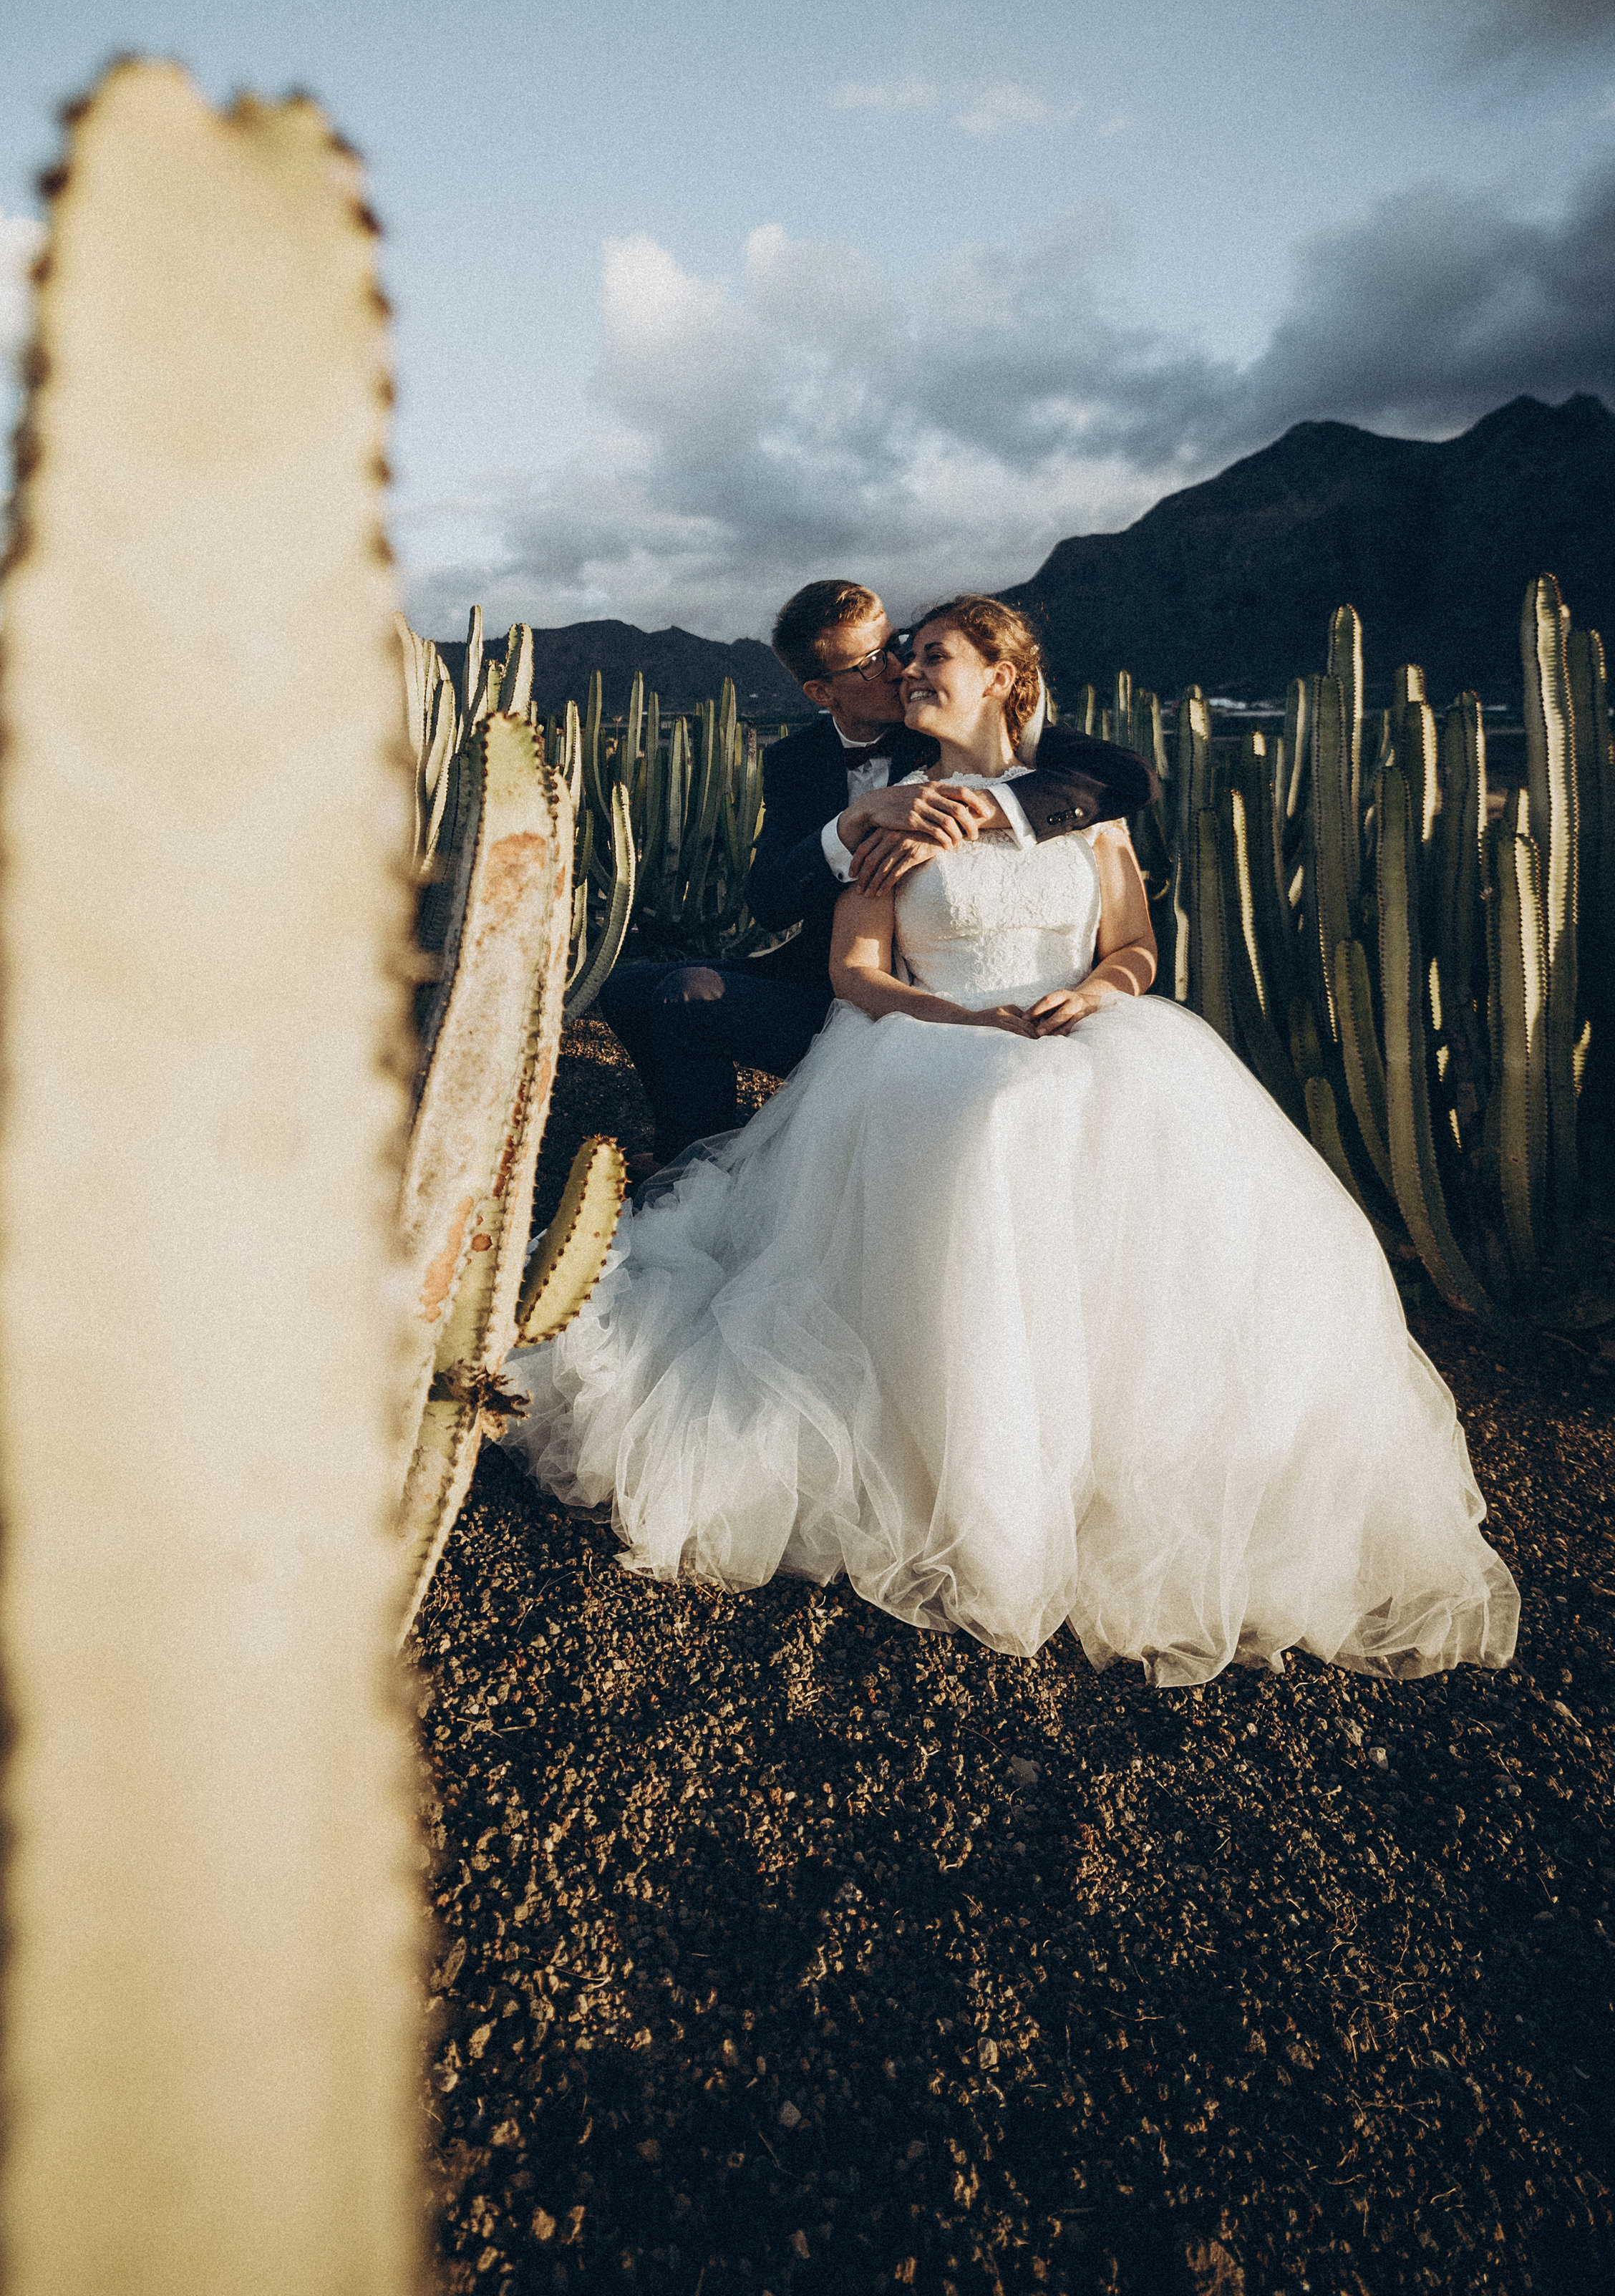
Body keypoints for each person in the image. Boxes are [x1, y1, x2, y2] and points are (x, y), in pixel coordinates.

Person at [508, 595, 1518, 1686]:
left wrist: (1094, 987)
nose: (905, 671)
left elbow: (1133, 939)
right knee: (997, 1120)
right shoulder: (891, 800)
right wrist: (954, 992)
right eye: (896, 660)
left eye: (930, 654)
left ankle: (1143, 1452)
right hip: (932, 1032)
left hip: (1083, 1026)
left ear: (1003, 677)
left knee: (1143, 1142)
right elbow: (856, 971)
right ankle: (985, 1465)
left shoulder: (1076, 793)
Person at [599, 578, 1157, 1178]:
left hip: (960, 980)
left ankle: (712, 1165)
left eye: (900, 645)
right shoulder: (799, 760)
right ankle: (700, 1162)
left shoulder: (969, 722)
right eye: (873, 663)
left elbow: (1128, 778)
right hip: (840, 972)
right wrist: (852, 823)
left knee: (683, 995)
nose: (900, 668)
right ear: (822, 691)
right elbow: (770, 901)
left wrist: (981, 808)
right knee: (634, 989)